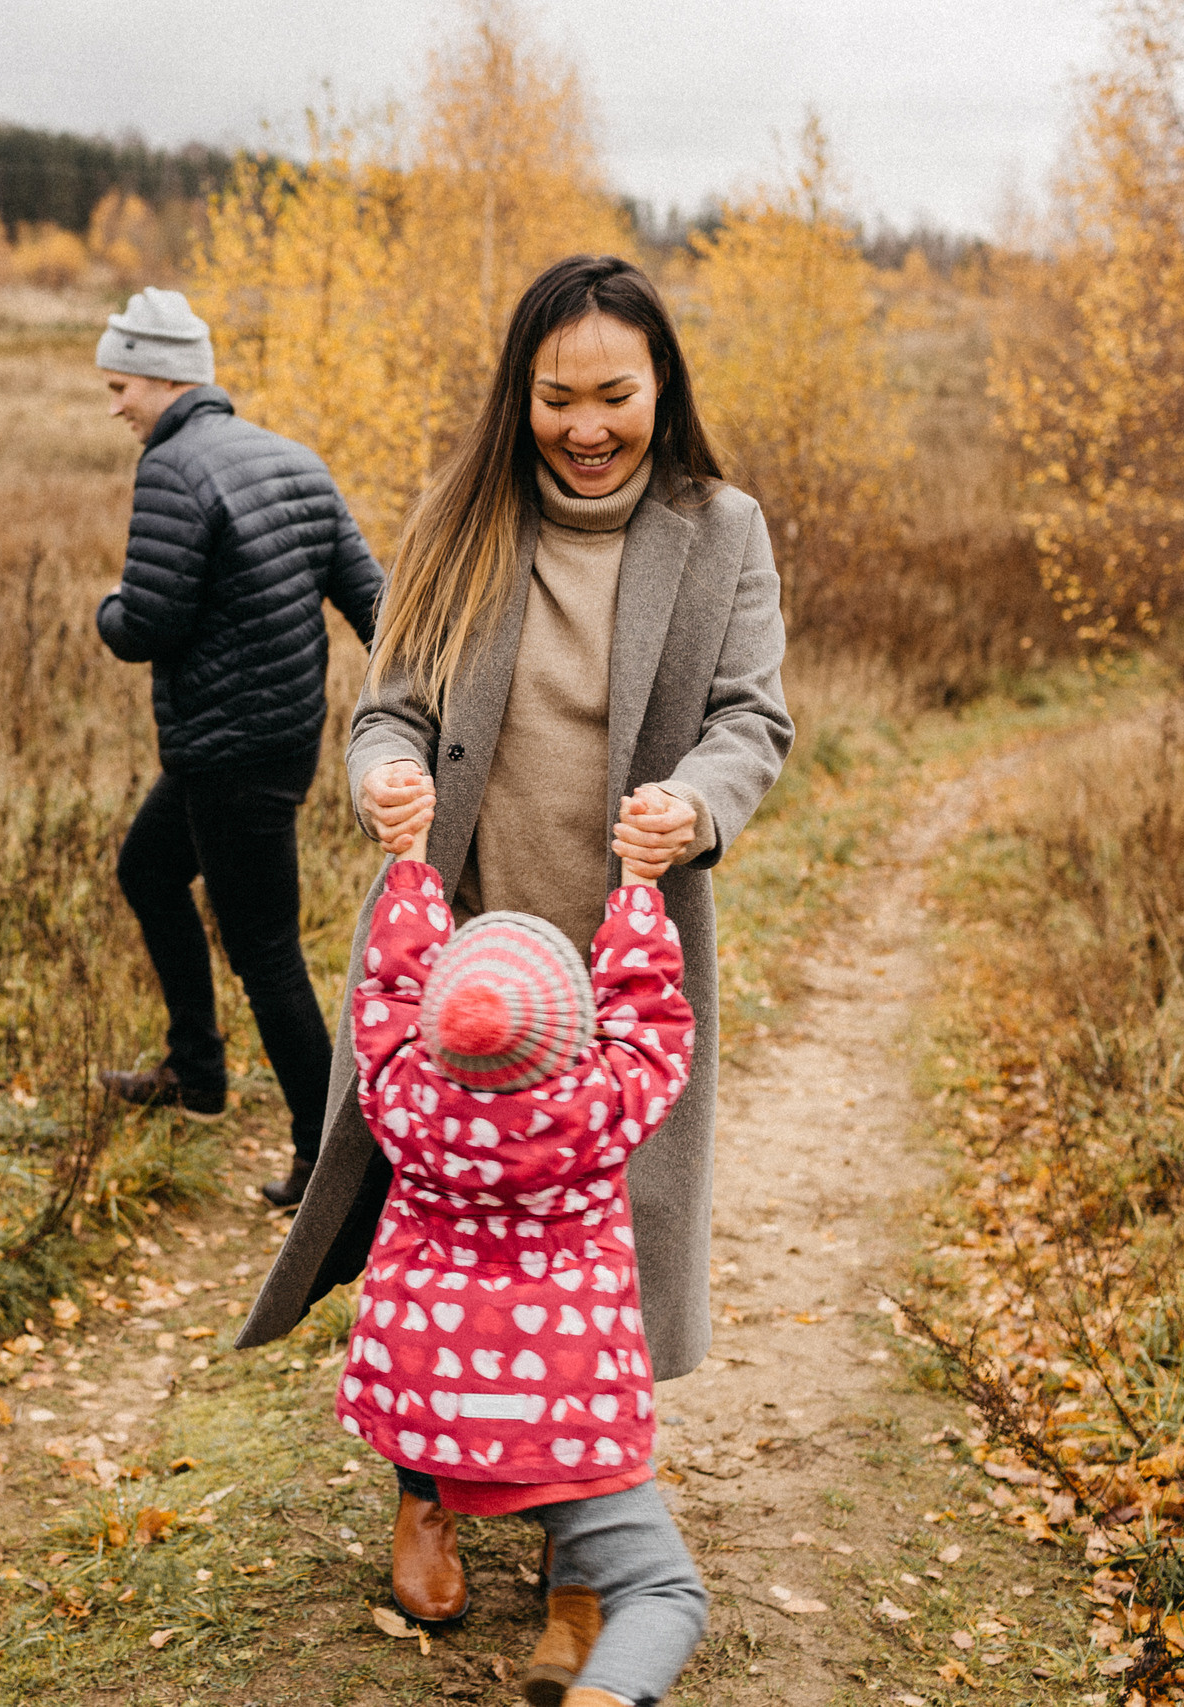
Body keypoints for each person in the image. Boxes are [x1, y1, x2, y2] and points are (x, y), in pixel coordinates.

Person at [235, 254, 793, 1652]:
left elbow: (754, 718)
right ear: (519, 393)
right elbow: (390, 707)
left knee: (604, 1243)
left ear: (661, 387)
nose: (587, 423)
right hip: (457, 964)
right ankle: (424, 1485)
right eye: (559, 396)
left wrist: (702, 800)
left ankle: (584, 1530)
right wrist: (380, 776)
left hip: (623, 958)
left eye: (616, 393)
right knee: (439, 1233)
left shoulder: (720, 528)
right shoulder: (460, 515)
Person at [339, 822, 708, 1707]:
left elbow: (387, 989)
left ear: (436, 1024)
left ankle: (565, 1605)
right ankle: (594, 1654)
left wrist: (415, 870)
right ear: (578, 1025)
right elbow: (650, 1017)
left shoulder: (402, 1093)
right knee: (664, 1592)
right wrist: (638, 888)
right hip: (567, 1402)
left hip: (439, 1399)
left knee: (576, 1537)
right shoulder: (602, 1105)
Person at [91, 287, 386, 1208]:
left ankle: (332, 1160)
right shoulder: (293, 460)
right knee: (145, 868)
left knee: (264, 950)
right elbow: (374, 599)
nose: (115, 407)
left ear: (163, 375)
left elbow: (149, 622)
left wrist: (107, 610)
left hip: (229, 755)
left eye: (119, 384)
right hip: (275, 742)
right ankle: (197, 1071)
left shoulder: (174, 468)